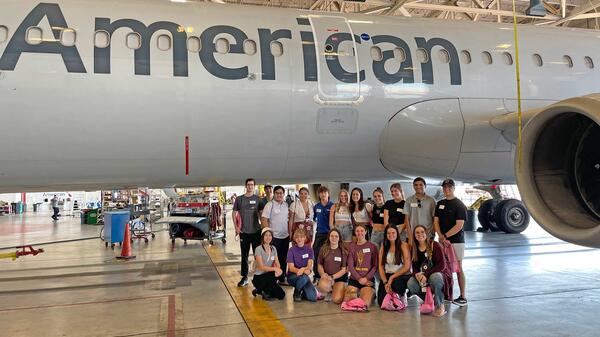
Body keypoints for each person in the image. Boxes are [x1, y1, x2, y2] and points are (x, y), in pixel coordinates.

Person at [434, 178, 468, 307]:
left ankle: (463, 296)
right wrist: (440, 236)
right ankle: (446, 294)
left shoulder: (459, 204)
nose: (447, 189)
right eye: (445, 187)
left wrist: (445, 236)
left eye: (449, 187)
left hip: (456, 241)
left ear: (453, 188)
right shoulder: (440, 203)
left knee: (458, 268)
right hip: (443, 240)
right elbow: (436, 221)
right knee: (444, 268)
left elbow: (459, 225)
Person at [407, 225, 447, 317]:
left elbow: (442, 265)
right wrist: (416, 274)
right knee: (410, 283)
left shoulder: (434, 245)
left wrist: (426, 275)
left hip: (434, 274)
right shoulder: (414, 248)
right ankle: (428, 300)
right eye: (417, 232)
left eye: (422, 232)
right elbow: (413, 267)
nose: (420, 234)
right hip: (422, 277)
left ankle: (440, 305)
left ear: (426, 234)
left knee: (435, 277)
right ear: (414, 235)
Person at [233, 178, 262, 287]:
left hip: (256, 232)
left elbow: (261, 214)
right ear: (246, 186)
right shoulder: (239, 199)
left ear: (254, 186)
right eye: (248, 185)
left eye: (252, 185)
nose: (250, 186)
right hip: (244, 232)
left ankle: (258, 276)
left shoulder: (258, 199)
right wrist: (236, 227)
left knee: (257, 255)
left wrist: (263, 228)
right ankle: (245, 277)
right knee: (244, 255)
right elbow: (234, 213)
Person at [260, 185, 290, 283]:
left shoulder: (286, 205)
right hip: (275, 237)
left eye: (281, 193)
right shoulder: (270, 204)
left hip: (285, 236)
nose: (279, 195)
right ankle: (272, 278)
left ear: (283, 194)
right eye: (277, 193)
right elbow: (264, 219)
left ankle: (281, 277)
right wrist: (268, 234)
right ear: (274, 194)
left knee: (283, 257)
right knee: (273, 259)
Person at [377, 225, 412, 307]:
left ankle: (402, 294)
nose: (391, 235)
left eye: (393, 232)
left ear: (397, 233)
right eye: (388, 233)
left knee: (395, 283)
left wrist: (392, 278)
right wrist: (385, 282)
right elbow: (381, 266)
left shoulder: (403, 245)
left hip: (402, 275)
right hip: (388, 275)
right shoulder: (384, 246)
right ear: (386, 235)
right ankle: (393, 294)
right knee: (381, 302)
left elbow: (407, 266)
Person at [346, 225, 378, 307]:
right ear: (355, 233)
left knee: (364, 304)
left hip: (368, 280)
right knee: (348, 301)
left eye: (362, 230)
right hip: (354, 280)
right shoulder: (352, 246)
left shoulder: (372, 247)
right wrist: (359, 278)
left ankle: (370, 293)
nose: (360, 233)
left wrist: (366, 278)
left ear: (366, 232)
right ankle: (358, 292)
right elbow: (350, 266)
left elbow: (375, 266)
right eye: (357, 231)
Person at [252, 227, 285, 300]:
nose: (268, 237)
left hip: (269, 276)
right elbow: (261, 267)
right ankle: (264, 291)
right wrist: (275, 269)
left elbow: (277, 263)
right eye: (266, 235)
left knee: (281, 295)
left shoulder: (273, 248)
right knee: (273, 276)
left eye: (270, 235)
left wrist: (278, 268)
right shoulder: (258, 249)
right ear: (262, 237)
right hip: (259, 277)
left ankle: (259, 290)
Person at [316, 228, 348, 304]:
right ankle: (331, 290)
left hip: (339, 278)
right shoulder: (324, 249)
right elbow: (319, 264)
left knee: (337, 299)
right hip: (327, 277)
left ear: (339, 238)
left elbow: (344, 270)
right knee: (322, 286)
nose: (334, 238)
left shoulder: (343, 251)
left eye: (336, 236)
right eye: (332, 236)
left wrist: (332, 277)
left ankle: (342, 288)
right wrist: (323, 274)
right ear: (329, 237)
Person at [403, 177, 437, 245]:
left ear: (425, 186)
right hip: (413, 235)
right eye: (416, 185)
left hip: (428, 235)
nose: (418, 187)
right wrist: (410, 236)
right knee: (413, 255)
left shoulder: (431, 201)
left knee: (428, 255)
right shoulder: (409, 200)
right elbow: (407, 219)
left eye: (421, 185)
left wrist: (432, 233)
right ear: (413, 186)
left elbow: (435, 219)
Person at [287, 229, 317, 302]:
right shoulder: (291, 250)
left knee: (312, 297)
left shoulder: (309, 250)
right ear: (295, 239)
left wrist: (303, 269)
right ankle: (296, 293)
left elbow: (309, 265)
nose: (299, 239)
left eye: (301, 237)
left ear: (305, 238)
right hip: (293, 276)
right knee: (304, 278)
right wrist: (302, 271)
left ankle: (302, 289)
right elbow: (291, 268)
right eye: (297, 237)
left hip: (304, 276)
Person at [313, 186, 334, 282]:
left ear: (328, 194)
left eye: (325, 192)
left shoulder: (332, 206)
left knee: (329, 255)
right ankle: (316, 275)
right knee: (317, 254)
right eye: (321, 192)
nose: (323, 194)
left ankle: (329, 275)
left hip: (330, 234)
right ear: (319, 194)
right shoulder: (316, 206)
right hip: (319, 234)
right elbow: (312, 219)